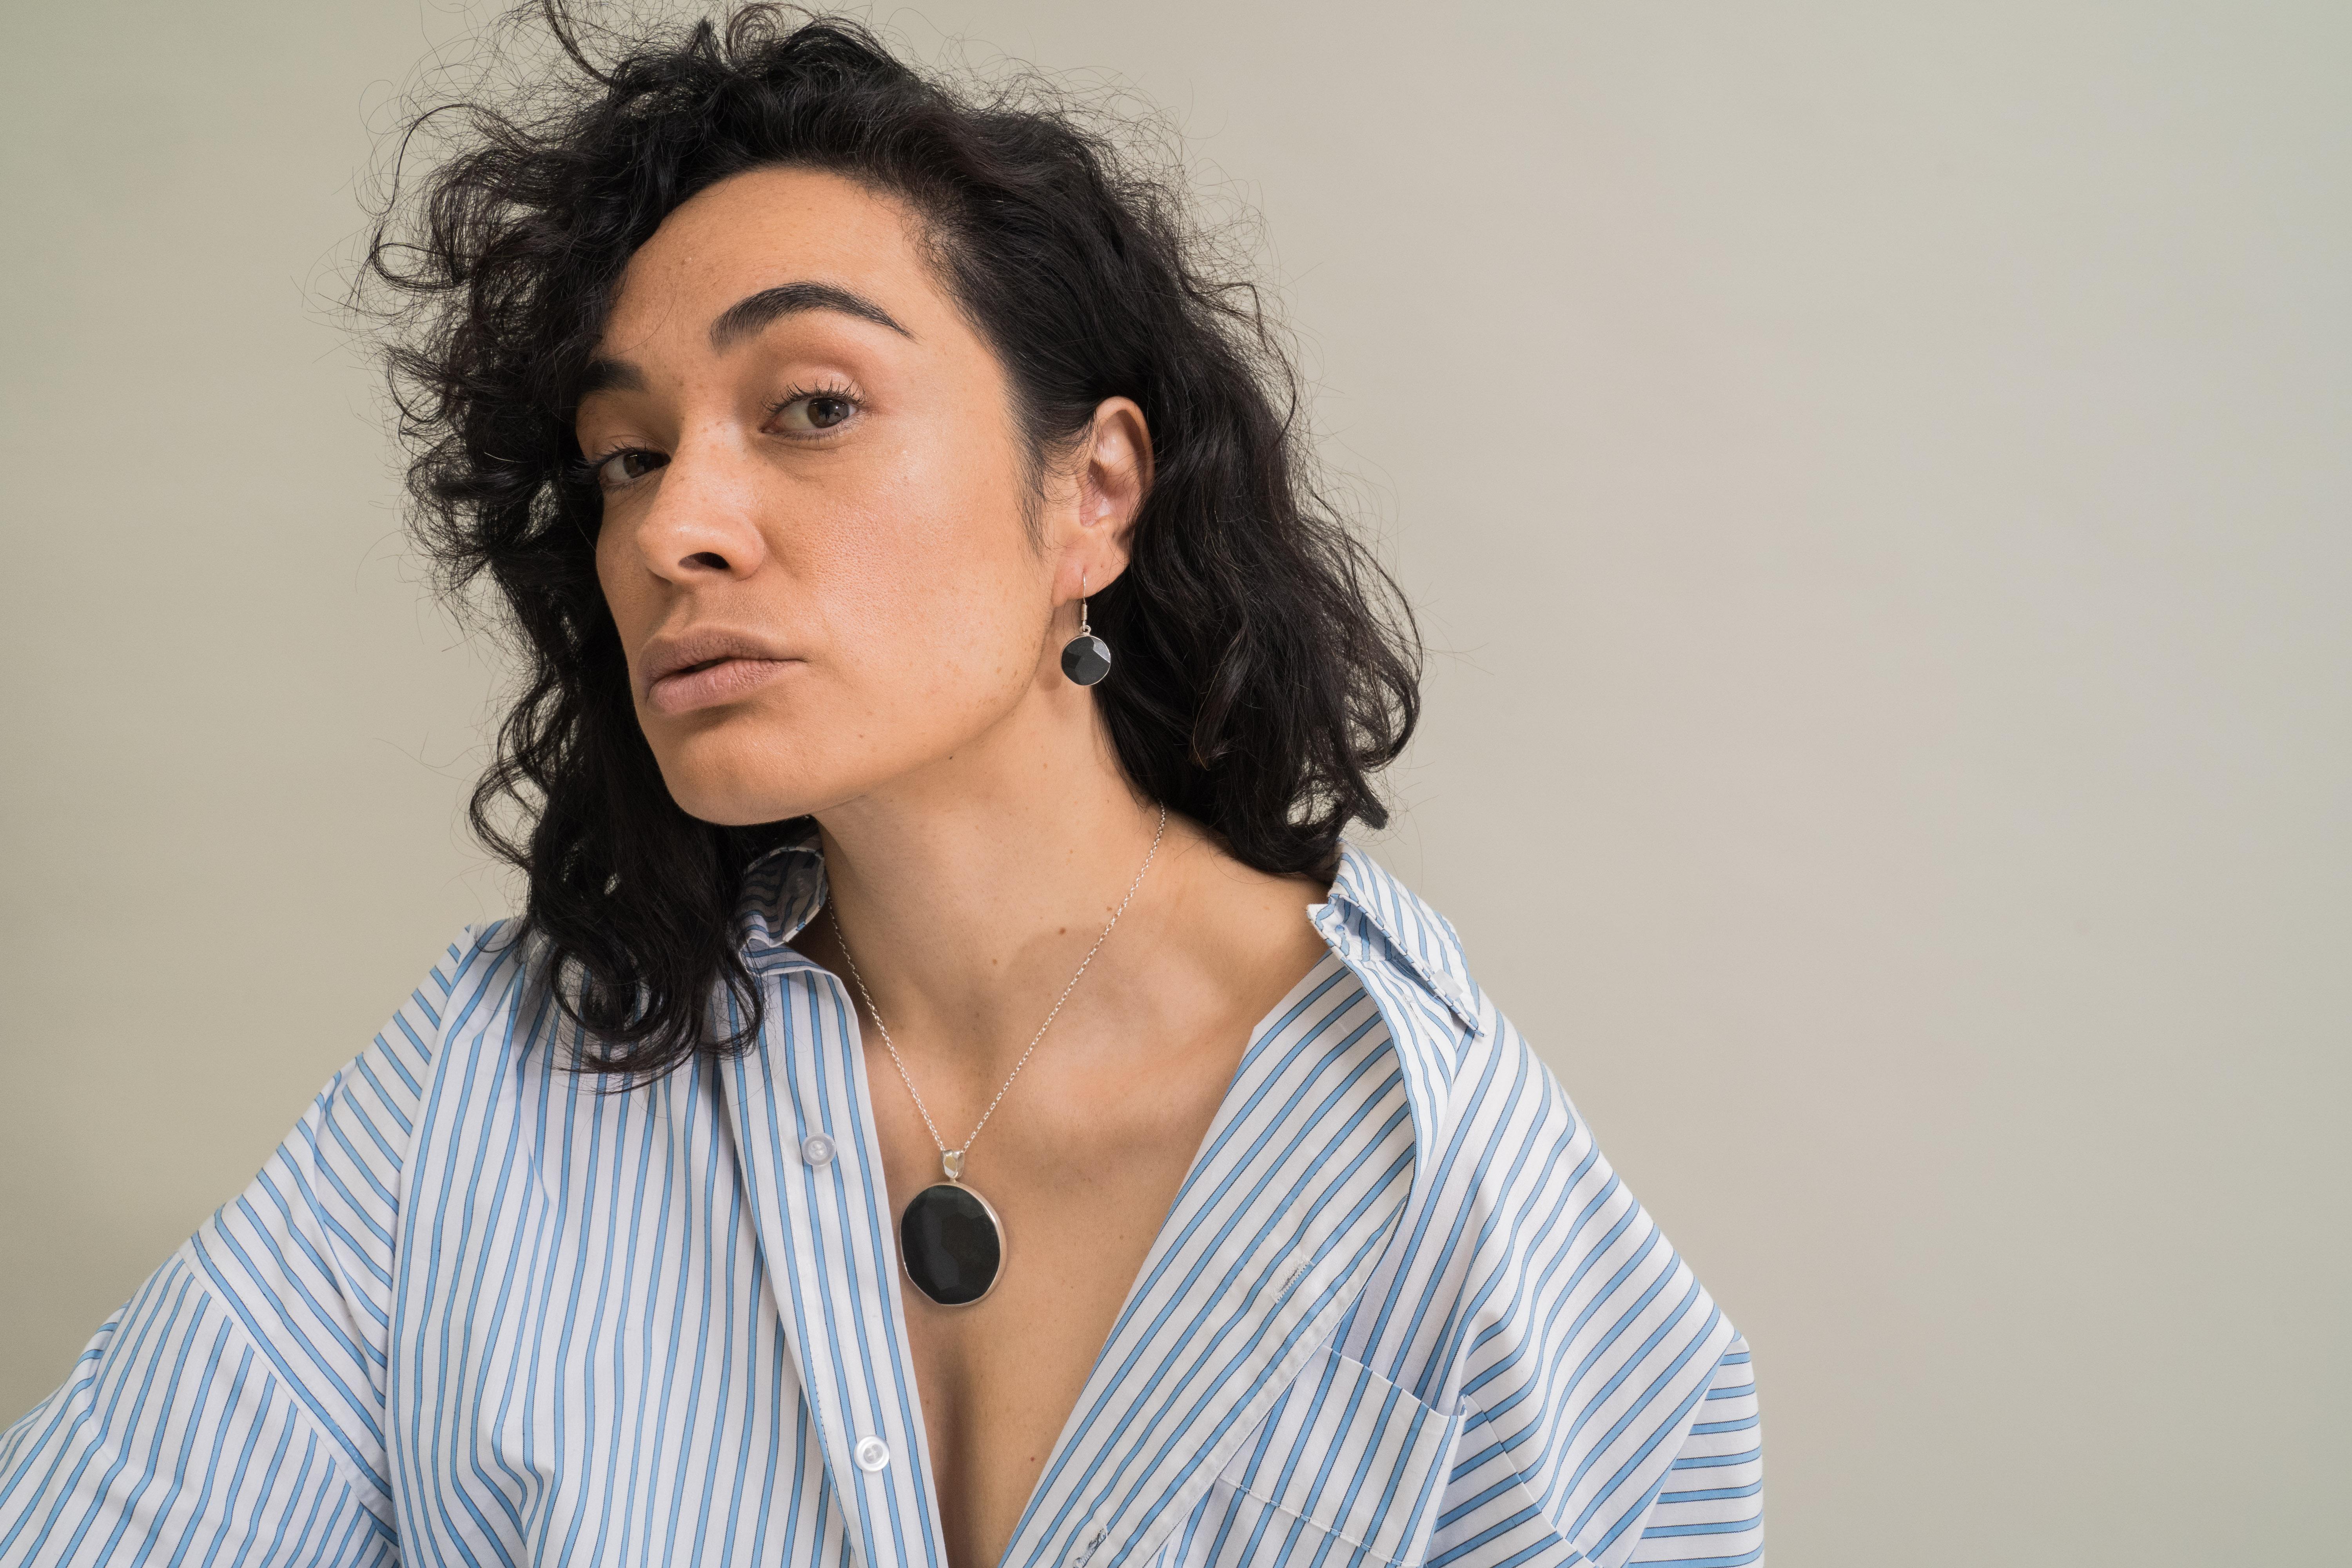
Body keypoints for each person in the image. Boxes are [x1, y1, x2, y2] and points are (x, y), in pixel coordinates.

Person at [0, 8, 1760, 1566]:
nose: (676, 524)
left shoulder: (1453, 1189)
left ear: (1094, 494)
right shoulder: (487, 1096)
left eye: (813, 405)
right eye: (626, 456)